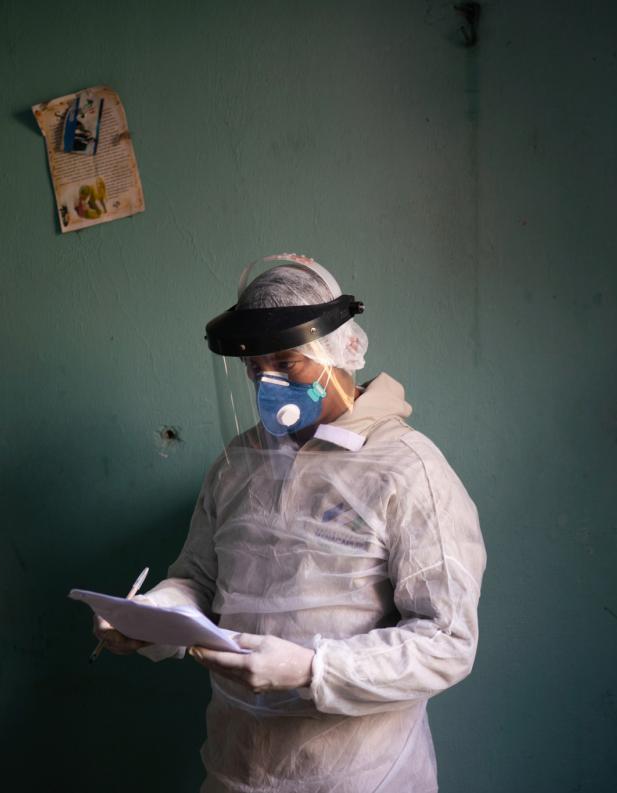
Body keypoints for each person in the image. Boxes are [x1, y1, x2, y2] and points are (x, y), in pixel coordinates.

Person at [93, 254, 486, 792]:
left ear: (340, 349)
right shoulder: (239, 463)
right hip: (236, 768)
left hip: (358, 777)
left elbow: (446, 641)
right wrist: (152, 615)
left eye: (287, 363)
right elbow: (199, 580)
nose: (268, 381)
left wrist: (311, 669)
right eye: (255, 368)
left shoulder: (408, 470)